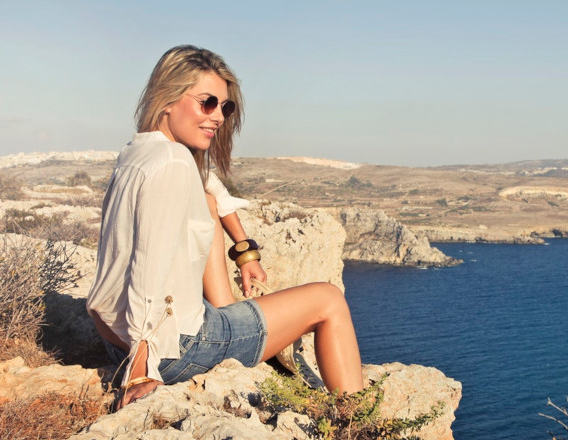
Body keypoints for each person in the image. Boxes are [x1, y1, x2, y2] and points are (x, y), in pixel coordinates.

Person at [86, 45, 363, 410]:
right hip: (169, 350)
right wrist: (140, 371)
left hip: (114, 336)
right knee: (328, 299)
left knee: (208, 206)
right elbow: (147, 272)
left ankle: (228, 313)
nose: (218, 116)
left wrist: (244, 251)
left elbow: (210, 188)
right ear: (167, 98)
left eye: (225, 106)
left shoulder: (139, 151)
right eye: (207, 103)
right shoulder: (173, 163)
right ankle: (358, 418)